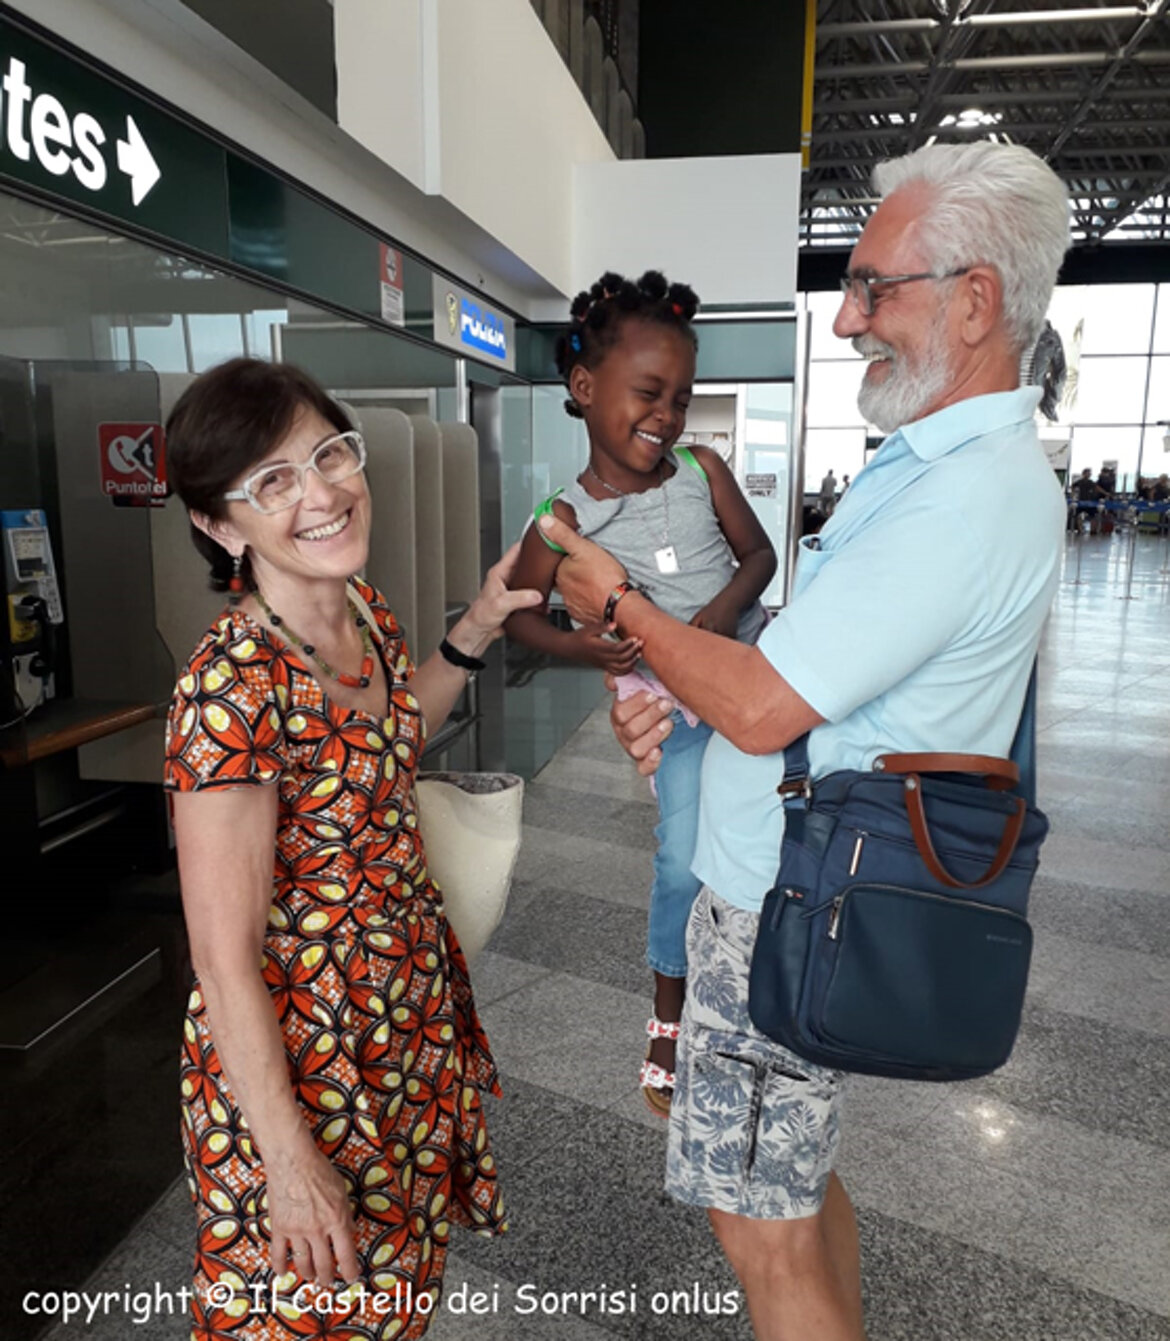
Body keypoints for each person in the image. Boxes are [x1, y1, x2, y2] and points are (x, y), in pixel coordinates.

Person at [539, 139, 1070, 1341]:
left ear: (975, 300)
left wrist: (617, 604)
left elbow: (769, 707)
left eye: (873, 286)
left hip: (787, 897)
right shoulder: (935, 467)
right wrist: (684, 685)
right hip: (790, 886)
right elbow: (819, 661)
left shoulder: (965, 494)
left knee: (759, 1229)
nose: (845, 320)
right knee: (794, 1187)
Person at [162, 358, 541, 1339]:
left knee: (394, 1304)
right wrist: (287, 1157)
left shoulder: (361, 616)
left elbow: (384, 746)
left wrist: (480, 625)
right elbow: (220, 956)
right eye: (272, 481)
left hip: (401, 1032)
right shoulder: (230, 688)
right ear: (219, 526)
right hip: (302, 1069)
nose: (322, 492)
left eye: (328, 453)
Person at [504, 270, 776, 1115]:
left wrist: (718, 616)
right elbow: (518, 618)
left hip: (753, 670)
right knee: (678, 852)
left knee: (777, 825)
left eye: (681, 399)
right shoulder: (560, 520)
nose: (667, 417)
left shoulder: (704, 468)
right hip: (675, 709)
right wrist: (589, 646)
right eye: (648, 393)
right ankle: (668, 1013)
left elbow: (760, 555)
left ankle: (770, 982)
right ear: (585, 390)